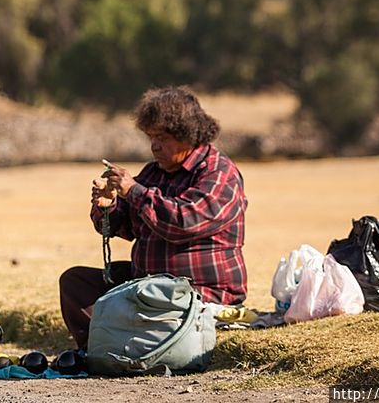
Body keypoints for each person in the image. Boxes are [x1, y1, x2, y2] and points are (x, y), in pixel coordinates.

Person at [59, 85, 248, 350]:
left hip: (199, 291)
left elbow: (184, 222)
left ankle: (124, 345)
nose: (154, 146)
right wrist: (108, 206)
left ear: (188, 134)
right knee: (76, 283)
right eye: (151, 137)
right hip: (150, 287)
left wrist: (133, 190)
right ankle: (101, 350)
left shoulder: (219, 173)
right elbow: (126, 226)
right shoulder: (155, 172)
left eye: (163, 137)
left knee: (142, 298)